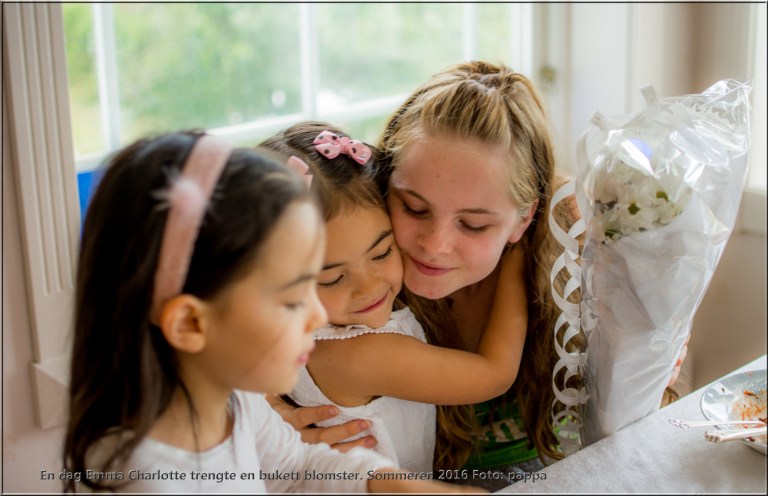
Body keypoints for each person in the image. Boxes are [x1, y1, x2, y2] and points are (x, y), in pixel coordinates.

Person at [273, 61, 688, 491]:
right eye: (414, 208)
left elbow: (638, 420)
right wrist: (265, 417)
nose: (434, 245)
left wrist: (649, 353)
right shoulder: (348, 257)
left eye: (473, 225)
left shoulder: (576, 264)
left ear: (523, 219)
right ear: (382, 185)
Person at [61, 130, 483, 493]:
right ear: (191, 323)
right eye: (291, 299)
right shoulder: (146, 479)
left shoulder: (237, 402)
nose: (316, 318)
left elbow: (298, 467)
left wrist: (395, 485)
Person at [258, 121, 530, 474]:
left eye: (382, 253)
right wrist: (518, 256)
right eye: (333, 278)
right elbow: (494, 375)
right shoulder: (358, 354)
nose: (369, 286)